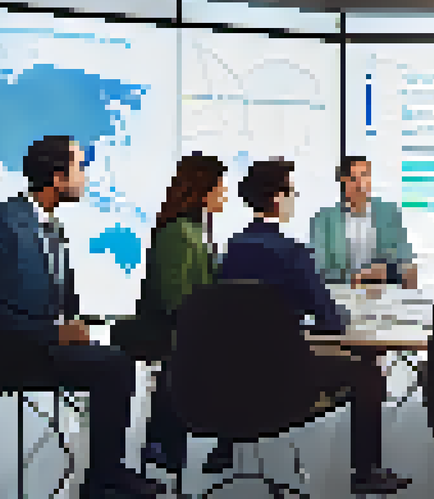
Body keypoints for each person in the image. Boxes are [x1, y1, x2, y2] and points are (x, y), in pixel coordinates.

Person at [0, 136, 167, 498]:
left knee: (118, 356)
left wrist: (74, 327)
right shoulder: (4, 224)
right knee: (115, 367)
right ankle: (104, 479)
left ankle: (106, 474)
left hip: (42, 342)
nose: (85, 176)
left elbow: (60, 298)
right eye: (79, 166)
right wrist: (56, 334)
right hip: (12, 351)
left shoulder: (50, 225)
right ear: (57, 177)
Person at [216, 157, 412, 494]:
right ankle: (365, 472)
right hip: (284, 376)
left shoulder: (231, 249)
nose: (294, 198)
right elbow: (331, 322)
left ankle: (225, 445)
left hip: (232, 372)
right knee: (367, 374)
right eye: (291, 191)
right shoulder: (292, 253)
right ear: (277, 198)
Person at [138, 153, 228, 475]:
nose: (224, 196)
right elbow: (176, 301)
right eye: (220, 189)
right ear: (203, 191)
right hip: (176, 339)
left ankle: (222, 445)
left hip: (188, 336)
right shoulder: (179, 234)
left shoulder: (192, 231)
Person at [310, 156, 418, 288]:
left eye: (365, 176)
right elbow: (318, 269)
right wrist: (358, 277)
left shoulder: (389, 214)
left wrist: (396, 273)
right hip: (340, 294)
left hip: (384, 294)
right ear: (343, 182)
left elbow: (406, 261)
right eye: (354, 179)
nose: (361, 185)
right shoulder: (324, 221)